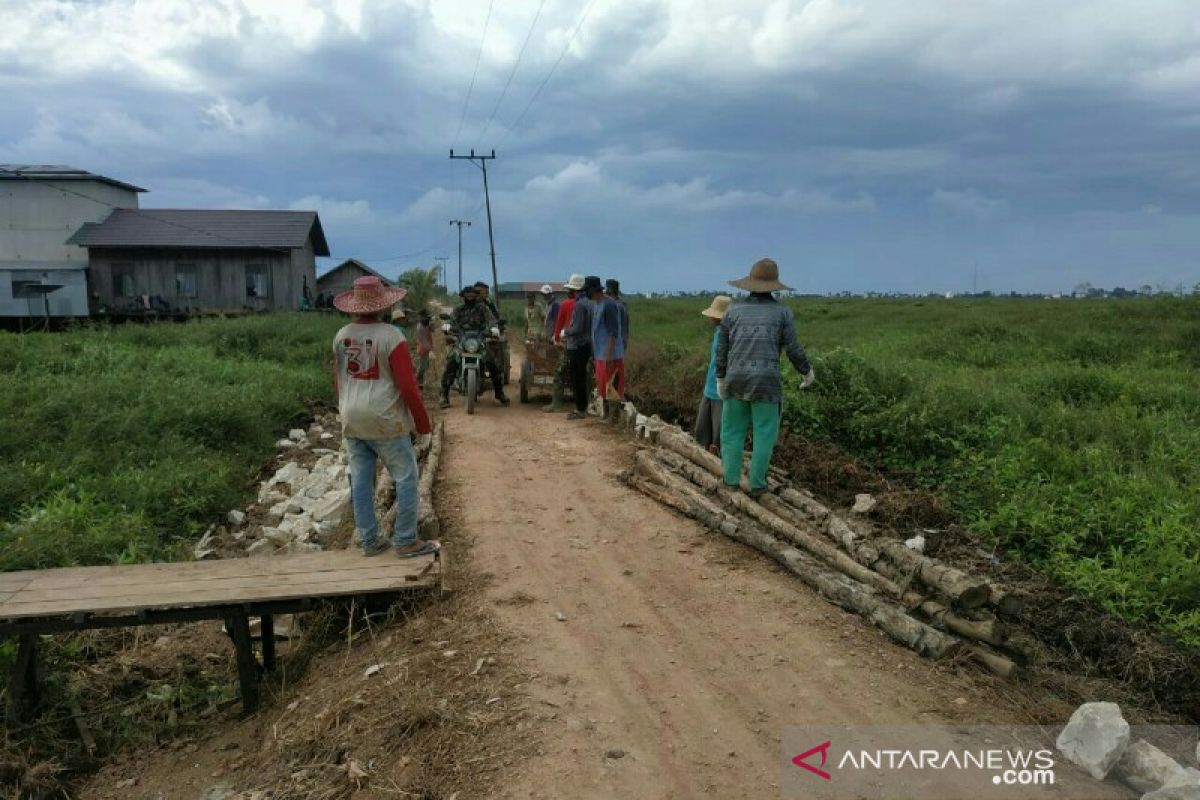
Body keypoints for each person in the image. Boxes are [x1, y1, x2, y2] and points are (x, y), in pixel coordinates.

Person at [331, 276, 435, 558]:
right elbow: (408, 387)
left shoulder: (341, 336)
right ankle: (405, 540)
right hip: (385, 418)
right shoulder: (392, 337)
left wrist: (345, 410)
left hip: (352, 417)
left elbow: (338, 380)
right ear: (384, 307)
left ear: (354, 306)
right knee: (406, 476)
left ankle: (369, 541)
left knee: (362, 481)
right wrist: (422, 423)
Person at [716, 258, 814, 499]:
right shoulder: (782, 312)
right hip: (766, 382)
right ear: (773, 286)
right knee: (764, 434)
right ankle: (758, 485)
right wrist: (806, 371)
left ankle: (730, 482)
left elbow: (721, 348)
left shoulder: (733, 311)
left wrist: (720, 377)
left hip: (735, 380)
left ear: (750, 284)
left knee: (731, 432)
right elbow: (793, 348)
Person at [440, 285, 509, 409]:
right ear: (464, 296)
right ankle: (444, 396)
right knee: (450, 364)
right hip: (462, 340)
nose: (470, 297)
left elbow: (491, 319)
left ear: (475, 296)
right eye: (468, 295)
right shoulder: (458, 309)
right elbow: (451, 320)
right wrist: (448, 326)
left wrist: (493, 328)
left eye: (472, 295)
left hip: (479, 339)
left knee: (493, 365)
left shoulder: (482, 308)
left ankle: (499, 393)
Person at [694, 295, 732, 453]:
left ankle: (716, 462)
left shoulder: (730, 334)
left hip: (721, 389)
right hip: (710, 387)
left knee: (718, 434)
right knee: (701, 429)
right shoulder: (719, 331)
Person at [543, 274, 583, 413]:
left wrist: (557, 340)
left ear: (570, 291)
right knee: (585, 374)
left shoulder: (565, 304)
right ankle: (587, 403)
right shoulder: (589, 304)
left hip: (568, 343)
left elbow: (559, 326)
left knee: (559, 372)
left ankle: (556, 403)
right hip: (586, 346)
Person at [589, 277, 625, 424]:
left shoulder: (609, 305)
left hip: (611, 354)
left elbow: (612, 333)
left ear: (594, 291)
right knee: (602, 384)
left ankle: (613, 417)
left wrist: (609, 356)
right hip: (600, 352)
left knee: (612, 385)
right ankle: (606, 413)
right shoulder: (597, 305)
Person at [563, 276, 599, 420]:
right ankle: (583, 406)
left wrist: (565, 331)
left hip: (577, 346)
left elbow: (577, 328)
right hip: (587, 344)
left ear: (574, 290)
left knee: (576, 378)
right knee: (582, 377)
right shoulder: (590, 303)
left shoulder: (579, 305)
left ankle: (580, 409)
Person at [605, 279, 629, 354]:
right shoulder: (623, 304)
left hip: (614, 343)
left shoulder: (613, 305)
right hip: (622, 341)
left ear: (610, 290)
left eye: (607, 288)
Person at [414, 311, 434, 389]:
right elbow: (423, 340)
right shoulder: (420, 327)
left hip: (427, 348)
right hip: (423, 348)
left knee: (425, 365)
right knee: (423, 366)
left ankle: (420, 382)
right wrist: (431, 350)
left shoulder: (426, 324)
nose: (428, 319)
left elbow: (433, 330)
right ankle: (416, 381)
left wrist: (431, 325)